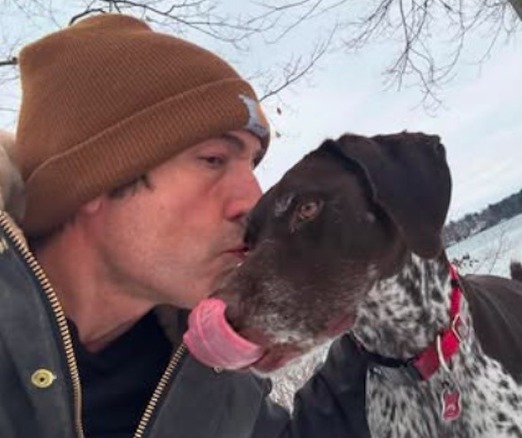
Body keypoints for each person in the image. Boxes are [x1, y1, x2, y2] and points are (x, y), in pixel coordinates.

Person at [0, 13, 370, 438]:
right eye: (213, 160)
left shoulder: (205, 375)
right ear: (92, 182)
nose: (254, 203)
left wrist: (381, 350)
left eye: (252, 164)